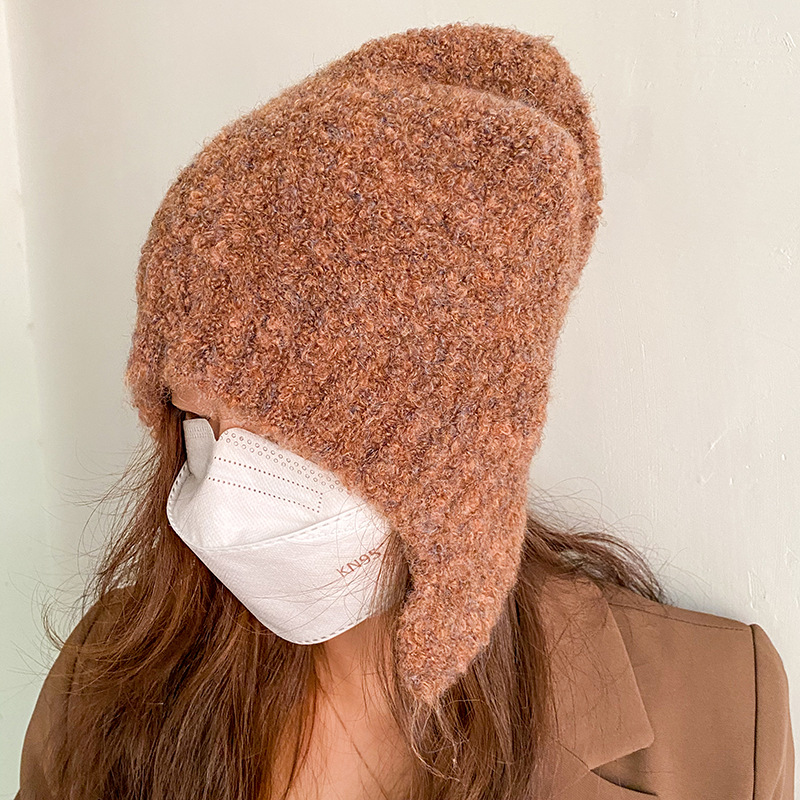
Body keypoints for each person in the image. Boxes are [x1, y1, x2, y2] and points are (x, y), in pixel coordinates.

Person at [15, 21, 794, 800]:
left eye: (284, 435)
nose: (220, 505)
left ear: (454, 449)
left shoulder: (717, 709)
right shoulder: (101, 687)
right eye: (197, 421)